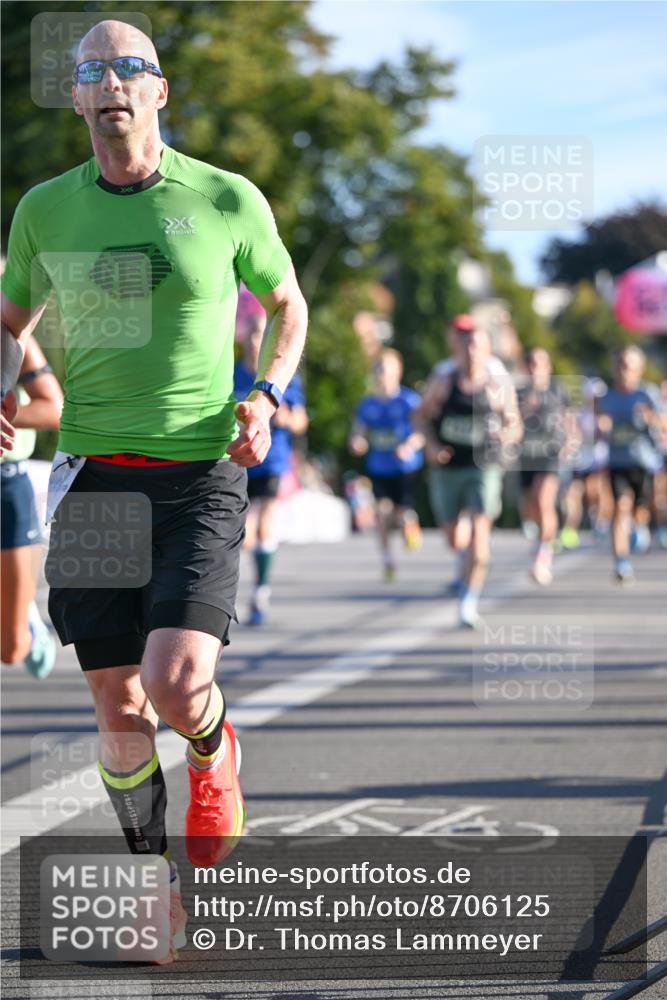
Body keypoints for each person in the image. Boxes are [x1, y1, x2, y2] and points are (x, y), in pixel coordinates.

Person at [1, 20, 307, 962]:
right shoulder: (46, 209)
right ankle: (156, 890)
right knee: (116, 704)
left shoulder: (222, 197)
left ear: (159, 92)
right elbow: (11, 316)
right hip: (93, 476)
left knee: (176, 682)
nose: (112, 83)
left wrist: (264, 394)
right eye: (93, 71)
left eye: (130, 67)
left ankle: (216, 752)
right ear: (81, 100)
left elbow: (287, 305)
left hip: (201, 470)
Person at [417, 319, 521, 628]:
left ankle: (468, 601)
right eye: (466, 344)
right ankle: (463, 562)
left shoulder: (496, 384)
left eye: (477, 344)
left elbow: (515, 423)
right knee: (454, 537)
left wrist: (506, 435)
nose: (471, 350)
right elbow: (419, 417)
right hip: (447, 466)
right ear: (457, 348)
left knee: (480, 534)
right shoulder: (444, 380)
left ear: (487, 349)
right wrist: (431, 445)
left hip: (483, 466)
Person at [234, 312, 308, 625]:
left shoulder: (283, 377)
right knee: (241, 533)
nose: (256, 342)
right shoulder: (232, 374)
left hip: (271, 458)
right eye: (252, 335)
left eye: (263, 336)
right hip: (236, 459)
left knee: (263, 522)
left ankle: (261, 591)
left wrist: (284, 416)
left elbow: (301, 422)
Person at [1, 335, 63, 677]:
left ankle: (25, 617)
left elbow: (54, 407)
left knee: (11, 649)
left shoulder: (11, 333)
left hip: (6, 486)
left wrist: (9, 414)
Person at [349, 348, 424, 581]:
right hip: (379, 467)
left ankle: (410, 526)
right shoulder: (367, 404)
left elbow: (421, 433)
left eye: (386, 368)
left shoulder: (409, 401)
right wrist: (357, 441)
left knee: (402, 514)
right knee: (381, 513)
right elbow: (357, 432)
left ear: (397, 372)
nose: (381, 373)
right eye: (378, 368)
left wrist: (409, 446)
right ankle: (388, 560)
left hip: (403, 467)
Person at [596, 346, 662, 584]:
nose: (624, 370)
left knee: (640, 508)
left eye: (629, 365)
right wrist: (601, 427)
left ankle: (640, 525)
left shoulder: (647, 394)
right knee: (620, 508)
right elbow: (598, 422)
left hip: (643, 462)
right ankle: (621, 563)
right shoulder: (607, 396)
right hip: (617, 462)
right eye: (620, 364)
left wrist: (649, 418)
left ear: (638, 369)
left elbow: (663, 424)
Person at [517, 347, 577, 585]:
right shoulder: (518, 392)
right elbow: (509, 421)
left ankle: (543, 557)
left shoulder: (558, 391)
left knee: (543, 501)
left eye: (540, 363)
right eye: (530, 363)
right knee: (531, 507)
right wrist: (525, 409)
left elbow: (569, 421)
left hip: (550, 454)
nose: (535, 368)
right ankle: (544, 538)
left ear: (548, 367)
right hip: (525, 456)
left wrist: (571, 442)